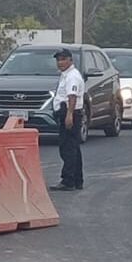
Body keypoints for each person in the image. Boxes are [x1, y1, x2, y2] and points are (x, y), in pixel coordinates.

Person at [50, 48, 86, 192]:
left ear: (71, 60)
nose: (60, 62)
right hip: (67, 112)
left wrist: (69, 115)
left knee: (67, 149)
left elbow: (72, 96)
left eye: (64, 59)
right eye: (58, 60)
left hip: (70, 112)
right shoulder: (66, 75)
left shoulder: (72, 76)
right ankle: (77, 180)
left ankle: (68, 180)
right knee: (73, 148)